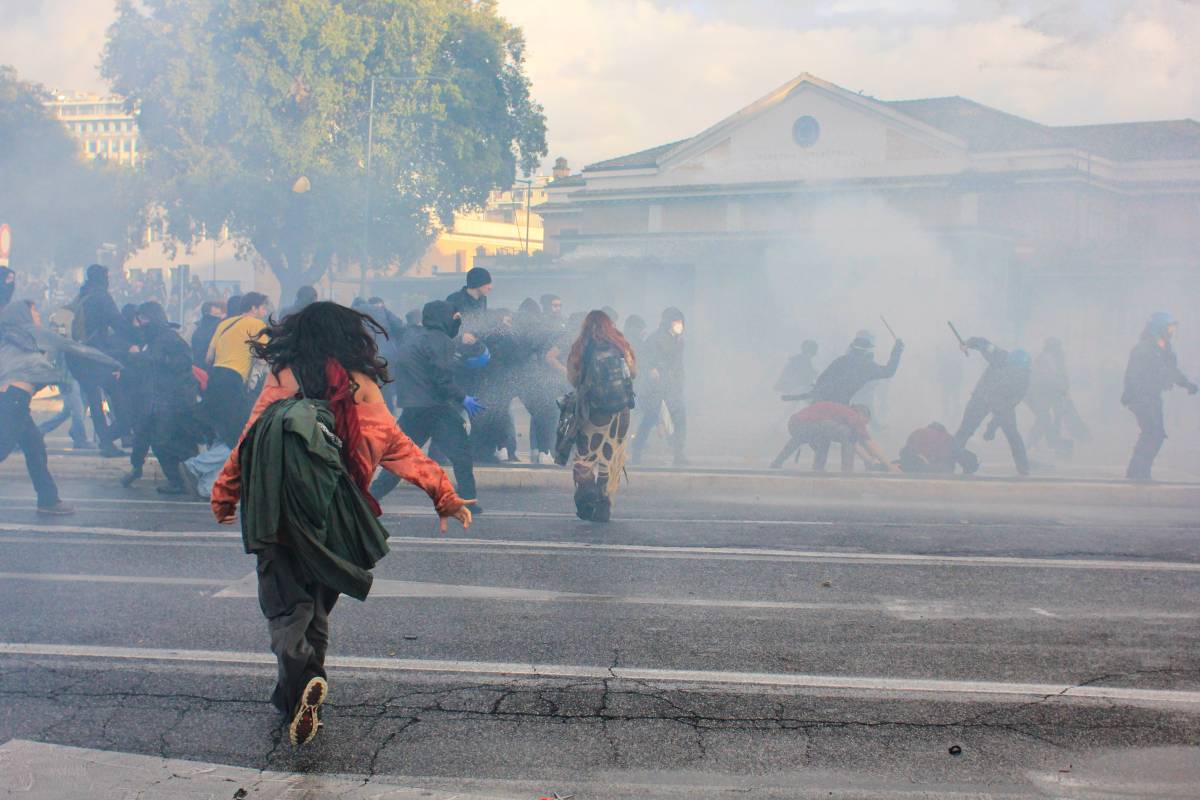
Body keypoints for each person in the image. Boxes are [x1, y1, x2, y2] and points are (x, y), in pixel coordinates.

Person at [211, 301, 472, 746]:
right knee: (315, 602)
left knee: (285, 605)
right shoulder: (365, 385)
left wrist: (225, 493)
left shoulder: (284, 377)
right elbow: (399, 447)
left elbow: (250, 439)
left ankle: (305, 680)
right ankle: (296, 692)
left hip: (279, 512)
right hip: (338, 513)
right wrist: (443, 495)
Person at [0, 299, 121, 514]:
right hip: (14, 400)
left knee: (35, 447)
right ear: (23, 316)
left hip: (11, 400)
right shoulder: (34, 333)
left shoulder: (10, 340)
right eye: (34, 310)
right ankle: (48, 500)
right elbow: (76, 348)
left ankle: (48, 500)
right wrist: (116, 363)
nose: (38, 314)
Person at [369, 301, 484, 512]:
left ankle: (370, 498)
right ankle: (469, 500)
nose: (455, 322)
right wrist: (463, 398)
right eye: (454, 317)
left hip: (413, 408)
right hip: (436, 408)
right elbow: (442, 379)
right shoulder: (440, 341)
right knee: (461, 455)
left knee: (400, 460)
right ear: (443, 317)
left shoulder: (414, 337)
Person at [120, 302, 205, 493]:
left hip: (171, 400)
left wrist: (155, 360)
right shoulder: (150, 339)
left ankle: (181, 479)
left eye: (143, 318)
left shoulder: (169, 338)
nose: (139, 323)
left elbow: (183, 362)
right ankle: (144, 471)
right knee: (145, 437)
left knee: (163, 442)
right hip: (152, 400)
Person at [567, 310, 637, 522]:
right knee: (610, 456)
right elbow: (632, 373)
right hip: (620, 411)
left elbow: (574, 378)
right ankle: (604, 505)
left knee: (585, 455)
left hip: (592, 410)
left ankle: (587, 492)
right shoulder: (621, 344)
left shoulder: (581, 346)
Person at [1122, 312, 1197, 481]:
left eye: (1173, 329)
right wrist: (1136, 397)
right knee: (1153, 433)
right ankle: (1138, 472)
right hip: (1143, 397)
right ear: (1158, 328)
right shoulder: (1145, 349)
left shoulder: (1162, 348)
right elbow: (1134, 375)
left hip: (1152, 397)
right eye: (1169, 328)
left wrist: (1186, 384)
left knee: (1153, 434)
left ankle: (1138, 471)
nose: (1172, 332)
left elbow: (1171, 371)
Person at [67, 264, 129, 457]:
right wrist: (135, 339)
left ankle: (105, 441)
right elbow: (118, 323)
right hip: (96, 356)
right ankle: (109, 438)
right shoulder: (101, 296)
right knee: (119, 399)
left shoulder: (80, 296)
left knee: (95, 402)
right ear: (103, 278)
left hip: (77, 356)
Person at [952, 337, 1032, 476]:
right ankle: (949, 460)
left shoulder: (1022, 379)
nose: (1013, 372)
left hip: (996, 403)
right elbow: (983, 343)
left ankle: (1024, 469)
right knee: (965, 431)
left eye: (1017, 370)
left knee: (1012, 435)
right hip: (981, 398)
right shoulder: (1001, 356)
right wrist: (968, 344)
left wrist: (992, 427)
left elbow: (1010, 404)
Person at [203, 292, 269, 447]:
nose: (265, 312)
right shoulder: (257, 325)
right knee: (236, 430)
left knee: (220, 425)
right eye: (264, 308)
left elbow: (208, 357)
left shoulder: (224, 323)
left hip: (215, 377)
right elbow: (263, 357)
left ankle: (209, 466)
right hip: (234, 379)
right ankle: (199, 465)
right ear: (254, 308)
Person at [632, 307, 688, 467]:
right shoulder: (655, 339)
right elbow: (644, 357)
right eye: (676, 322)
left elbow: (678, 364)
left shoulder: (679, 340)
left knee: (679, 418)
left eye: (681, 322)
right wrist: (651, 369)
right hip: (655, 388)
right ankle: (636, 452)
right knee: (649, 419)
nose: (679, 325)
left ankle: (678, 454)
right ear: (667, 323)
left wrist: (680, 381)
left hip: (672, 388)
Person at [769, 402, 888, 472]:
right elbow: (866, 440)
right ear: (861, 414)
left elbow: (855, 443)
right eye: (865, 422)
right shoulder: (851, 414)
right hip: (810, 425)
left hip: (796, 425)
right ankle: (847, 473)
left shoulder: (837, 412)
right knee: (847, 433)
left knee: (825, 438)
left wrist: (869, 462)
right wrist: (885, 464)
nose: (864, 425)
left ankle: (816, 469)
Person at [809, 330, 904, 405]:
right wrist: (897, 350)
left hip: (821, 401)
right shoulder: (868, 366)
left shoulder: (841, 360)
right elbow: (889, 371)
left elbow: (821, 380)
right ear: (868, 350)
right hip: (840, 405)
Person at [898, 422, 979, 474]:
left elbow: (905, 453)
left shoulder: (918, 434)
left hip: (920, 467)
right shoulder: (948, 440)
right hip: (932, 467)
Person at [191, 301, 225, 367]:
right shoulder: (195, 327)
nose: (219, 317)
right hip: (198, 367)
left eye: (220, 314)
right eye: (216, 314)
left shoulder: (221, 326)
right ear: (206, 314)